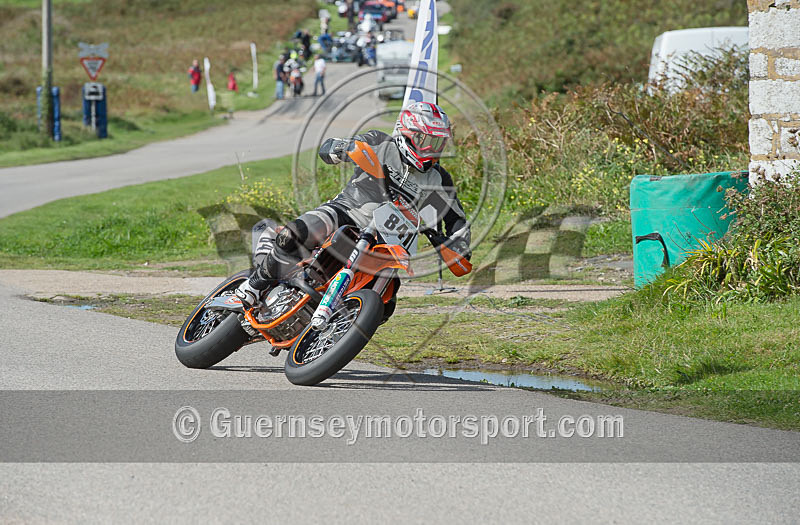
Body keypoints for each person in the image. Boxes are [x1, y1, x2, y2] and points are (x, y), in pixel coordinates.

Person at [235, 102, 472, 308]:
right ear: (408, 133)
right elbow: (332, 147)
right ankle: (254, 286)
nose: (433, 150)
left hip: (388, 241)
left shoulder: (439, 180)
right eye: (427, 140)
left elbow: (456, 219)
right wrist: (340, 148)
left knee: (385, 304)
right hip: (348, 212)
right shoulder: (380, 142)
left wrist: (460, 244)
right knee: (295, 233)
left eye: (439, 143)